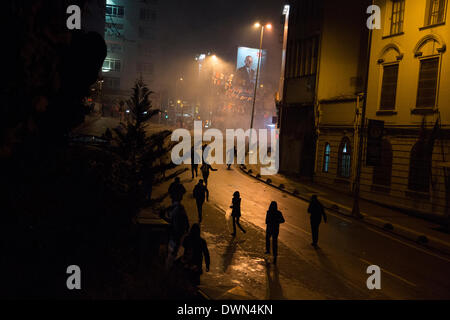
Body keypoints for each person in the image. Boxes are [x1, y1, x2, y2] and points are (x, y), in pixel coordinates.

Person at [165, 200, 190, 269]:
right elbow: (187, 223)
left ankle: (170, 264)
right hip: (179, 233)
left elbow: (171, 221)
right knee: (177, 245)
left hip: (175, 233)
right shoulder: (182, 211)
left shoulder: (175, 211)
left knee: (174, 246)